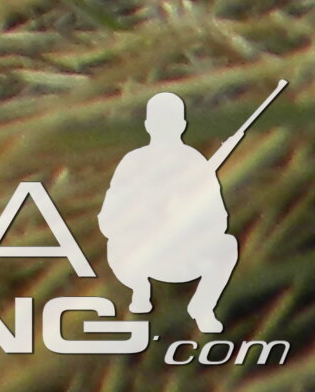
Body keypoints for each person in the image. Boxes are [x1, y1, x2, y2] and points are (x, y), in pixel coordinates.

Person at [102, 92, 242, 333]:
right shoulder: (134, 163)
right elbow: (108, 219)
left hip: (185, 253)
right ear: (148, 125)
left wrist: (188, 217)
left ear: (182, 125)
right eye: (160, 122)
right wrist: (146, 216)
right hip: (138, 255)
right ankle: (139, 296)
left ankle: (203, 306)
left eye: (171, 122)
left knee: (227, 245)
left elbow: (220, 218)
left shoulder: (194, 162)